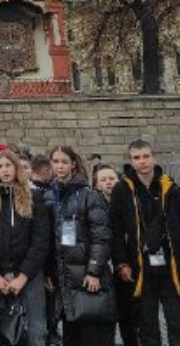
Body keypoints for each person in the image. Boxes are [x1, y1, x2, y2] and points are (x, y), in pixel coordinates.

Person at [110, 140, 180, 346]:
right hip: (140, 267)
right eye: (137, 158)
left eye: (146, 156)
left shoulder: (171, 188)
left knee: (177, 324)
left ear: (154, 157)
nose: (142, 162)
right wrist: (121, 263)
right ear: (130, 161)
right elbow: (114, 231)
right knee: (147, 326)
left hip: (171, 266)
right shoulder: (121, 190)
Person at [45, 146, 115, 345]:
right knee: (71, 332)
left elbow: (101, 236)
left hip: (85, 273)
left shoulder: (89, 195)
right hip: (63, 276)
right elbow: (47, 240)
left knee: (93, 331)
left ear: (73, 164)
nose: (60, 166)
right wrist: (49, 272)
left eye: (64, 162)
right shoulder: (49, 196)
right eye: (56, 161)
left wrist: (94, 271)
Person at [0, 149, 50, 346]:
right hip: (0, 275)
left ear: (16, 168)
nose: (4, 170)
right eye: (0, 166)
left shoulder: (34, 198)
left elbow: (40, 241)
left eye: (8, 165)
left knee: (36, 330)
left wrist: (23, 276)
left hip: (29, 274)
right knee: (4, 330)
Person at [94, 164, 134, 346]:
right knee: (105, 314)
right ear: (96, 185)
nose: (108, 182)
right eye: (103, 179)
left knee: (128, 313)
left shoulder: (129, 203)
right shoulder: (93, 205)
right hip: (103, 266)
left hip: (125, 263)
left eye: (112, 178)